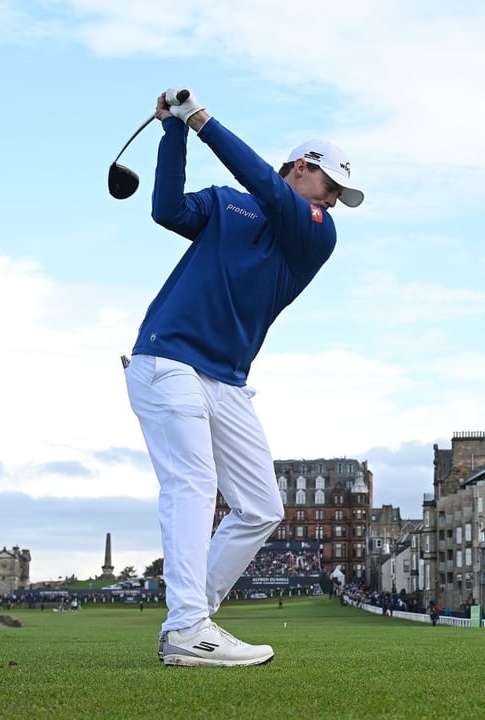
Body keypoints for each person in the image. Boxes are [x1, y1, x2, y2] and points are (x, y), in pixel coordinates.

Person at [124, 87, 363, 668]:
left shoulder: (315, 232)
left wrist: (201, 119)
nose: (332, 202)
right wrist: (174, 131)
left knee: (260, 507)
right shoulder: (228, 205)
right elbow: (167, 211)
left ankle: (190, 617)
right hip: (168, 358)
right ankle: (187, 626)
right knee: (193, 485)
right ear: (302, 168)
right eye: (330, 187)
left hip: (227, 380)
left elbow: (267, 186)